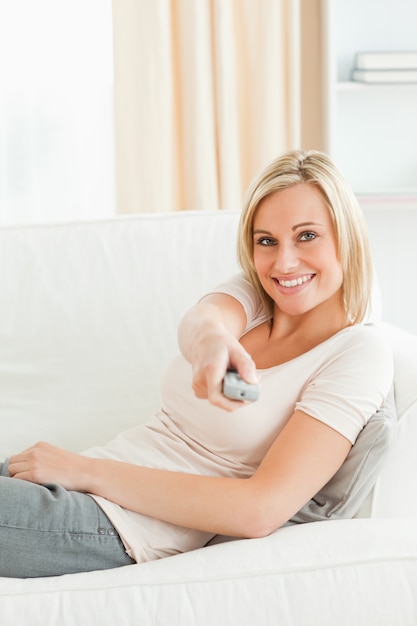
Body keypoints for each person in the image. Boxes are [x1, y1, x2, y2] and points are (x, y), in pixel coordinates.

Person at [1, 149, 394, 578]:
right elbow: (202, 321)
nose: (283, 262)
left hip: (119, 527)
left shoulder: (358, 353)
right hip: (80, 483)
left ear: (346, 235)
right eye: (267, 241)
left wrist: (85, 470)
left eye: (307, 236)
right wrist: (211, 344)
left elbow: (259, 509)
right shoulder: (259, 296)